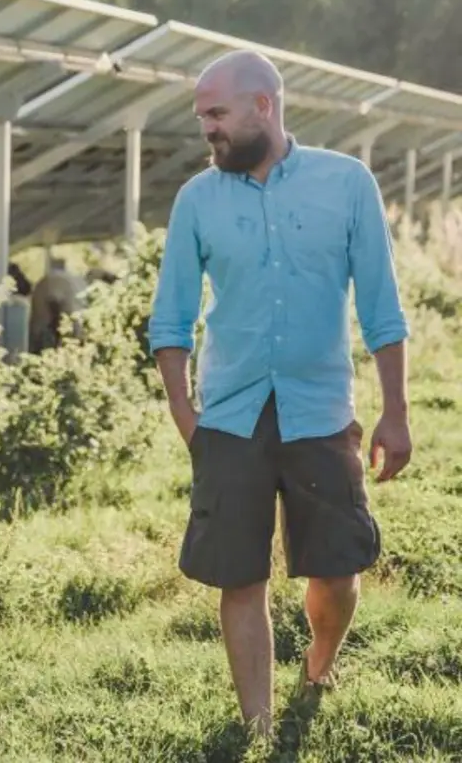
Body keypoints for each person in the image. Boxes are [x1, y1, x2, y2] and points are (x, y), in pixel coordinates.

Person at [147, 48, 413, 739]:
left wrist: (396, 412)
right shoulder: (196, 199)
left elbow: (383, 309)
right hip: (229, 415)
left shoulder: (347, 184)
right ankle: (259, 728)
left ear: (264, 106)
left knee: (337, 568)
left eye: (217, 113)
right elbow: (169, 319)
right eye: (203, 115)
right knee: (240, 575)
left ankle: (320, 662)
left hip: (320, 409)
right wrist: (185, 414)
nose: (207, 128)